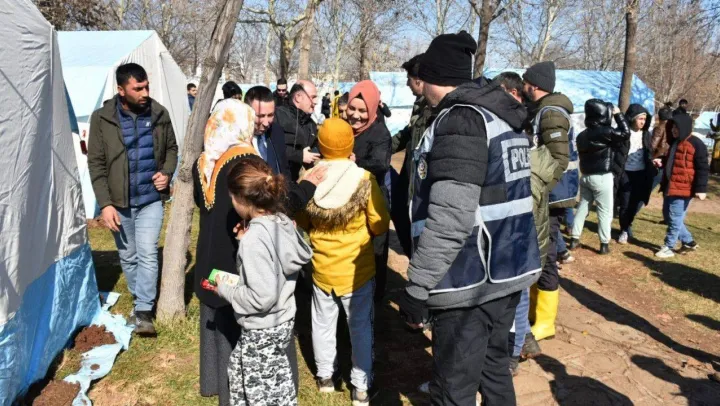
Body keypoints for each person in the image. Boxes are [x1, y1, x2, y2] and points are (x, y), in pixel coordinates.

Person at [396, 32, 541, 405]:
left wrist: (417, 287)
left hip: (470, 280)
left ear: (433, 77)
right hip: (507, 270)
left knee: (453, 389)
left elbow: (450, 218)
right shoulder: (499, 115)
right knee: (494, 371)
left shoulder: (461, 121)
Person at [296, 118, 390, 405]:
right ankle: (361, 387)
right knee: (360, 327)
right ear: (350, 143)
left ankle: (325, 377)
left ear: (321, 144)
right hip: (356, 270)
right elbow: (380, 223)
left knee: (322, 324)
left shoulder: (309, 179)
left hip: (322, 268)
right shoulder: (363, 178)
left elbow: (302, 220)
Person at [211, 157, 312, 406]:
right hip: (281, 321)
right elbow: (274, 263)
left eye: (232, 198)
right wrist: (243, 241)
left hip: (261, 327)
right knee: (258, 374)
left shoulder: (255, 240)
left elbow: (261, 297)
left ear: (242, 200)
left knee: (261, 392)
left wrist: (225, 289)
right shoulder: (281, 222)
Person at [87, 63, 178, 336]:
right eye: (138, 88)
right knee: (128, 256)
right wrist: (105, 204)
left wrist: (166, 172)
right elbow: (96, 163)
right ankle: (140, 298)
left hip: (150, 200)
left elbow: (172, 149)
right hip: (119, 203)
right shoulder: (102, 119)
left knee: (148, 253)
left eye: (146, 86)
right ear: (121, 90)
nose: (145, 92)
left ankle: (143, 311)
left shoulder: (159, 113)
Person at [192, 100, 259, 405]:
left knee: (214, 322)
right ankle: (233, 395)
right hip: (234, 255)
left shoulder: (206, 159)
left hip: (209, 254)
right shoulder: (247, 162)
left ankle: (213, 382)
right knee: (234, 331)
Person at [495, 71, 553, 374]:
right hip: (526, 244)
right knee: (514, 301)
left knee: (515, 302)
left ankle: (512, 356)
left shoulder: (525, 167)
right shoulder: (533, 157)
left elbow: (522, 211)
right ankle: (522, 343)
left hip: (522, 245)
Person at [522, 60, 576, 345]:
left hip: (551, 197)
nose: (523, 87)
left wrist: (540, 189)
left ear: (535, 85)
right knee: (539, 254)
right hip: (547, 194)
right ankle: (534, 311)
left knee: (547, 257)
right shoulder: (543, 110)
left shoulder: (550, 112)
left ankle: (545, 322)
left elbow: (558, 158)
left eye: (525, 82)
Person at [243, 86, 326, 216]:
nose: (266, 122)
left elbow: (284, 171)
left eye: (270, 115)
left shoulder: (276, 131)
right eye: (260, 116)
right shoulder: (238, 140)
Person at [347, 80, 392, 303]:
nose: (355, 115)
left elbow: (381, 164)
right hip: (347, 201)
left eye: (362, 111)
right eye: (352, 108)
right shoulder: (343, 128)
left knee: (374, 252)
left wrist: (356, 162)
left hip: (373, 201)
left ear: (373, 109)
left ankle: (374, 301)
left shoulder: (380, 133)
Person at [569, 100, 630, 254]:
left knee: (582, 208)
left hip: (586, 176)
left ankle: (574, 239)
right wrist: (619, 115)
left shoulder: (582, 135)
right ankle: (604, 244)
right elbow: (625, 133)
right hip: (602, 177)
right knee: (605, 211)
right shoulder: (605, 132)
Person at [390, 53, 431, 256]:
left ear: (419, 80)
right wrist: (383, 147)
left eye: (409, 79)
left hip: (422, 179)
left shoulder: (434, 108)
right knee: (399, 210)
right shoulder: (420, 104)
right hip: (409, 172)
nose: (407, 84)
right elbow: (408, 134)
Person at [655, 114, 709, 258]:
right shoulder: (675, 143)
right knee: (668, 216)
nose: (673, 130)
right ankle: (688, 241)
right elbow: (674, 162)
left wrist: (701, 189)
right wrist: (661, 161)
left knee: (674, 218)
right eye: (672, 127)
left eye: (676, 127)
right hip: (670, 186)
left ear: (684, 127)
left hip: (683, 189)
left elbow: (703, 168)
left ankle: (669, 246)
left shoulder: (696, 144)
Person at [618, 104, 658, 245]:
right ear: (632, 118)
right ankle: (623, 230)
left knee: (635, 203)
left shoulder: (646, 134)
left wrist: (653, 161)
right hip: (625, 172)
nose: (642, 122)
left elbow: (648, 153)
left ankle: (627, 224)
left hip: (641, 173)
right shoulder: (624, 132)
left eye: (644, 119)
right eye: (640, 119)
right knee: (625, 202)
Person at [275, 80, 320, 181]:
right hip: (277, 181)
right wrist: (299, 156)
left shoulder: (311, 124)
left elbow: (316, 147)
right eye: (313, 97)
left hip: (299, 182)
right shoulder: (278, 116)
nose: (316, 102)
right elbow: (272, 147)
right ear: (298, 97)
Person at [651, 106, 673, 190]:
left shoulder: (659, 128)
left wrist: (650, 158)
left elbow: (653, 145)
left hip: (659, 158)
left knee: (652, 183)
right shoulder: (672, 128)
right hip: (667, 158)